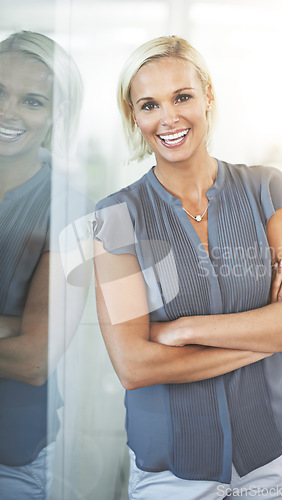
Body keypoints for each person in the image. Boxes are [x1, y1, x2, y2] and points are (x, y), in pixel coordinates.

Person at [93, 36, 282, 499]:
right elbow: (134, 365)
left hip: (276, 459)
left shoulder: (269, 191)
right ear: (134, 117)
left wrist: (185, 329)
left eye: (182, 97)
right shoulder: (115, 219)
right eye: (149, 105)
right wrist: (263, 338)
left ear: (208, 96)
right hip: (171, 474)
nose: (169, 118)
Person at [0, 31, 88, 499]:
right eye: (0, 92)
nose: (9, 112)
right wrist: (9, 325)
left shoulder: (71, 209)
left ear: (55, 115)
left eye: (31, 101)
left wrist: (23, 334)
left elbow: (34, 359)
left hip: (10, 458)